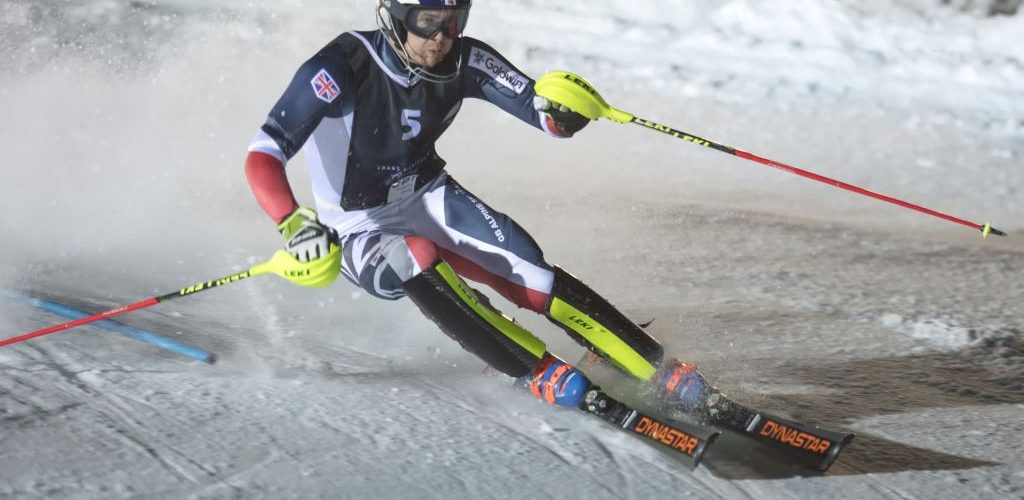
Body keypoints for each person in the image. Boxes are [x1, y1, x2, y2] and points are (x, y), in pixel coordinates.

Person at [243, 0, 708, 411]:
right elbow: (263, 155)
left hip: (426, 194)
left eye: (453, 20)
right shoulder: (341, 64)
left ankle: (652, 367)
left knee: (530, 270)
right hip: (355, 227)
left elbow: (539, 109)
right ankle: (533, 367)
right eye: (428, 20)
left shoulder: (464, 57)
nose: (442, 37)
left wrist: (566, 110)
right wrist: (292, 223)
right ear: (392, 14)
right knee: (417, 257)